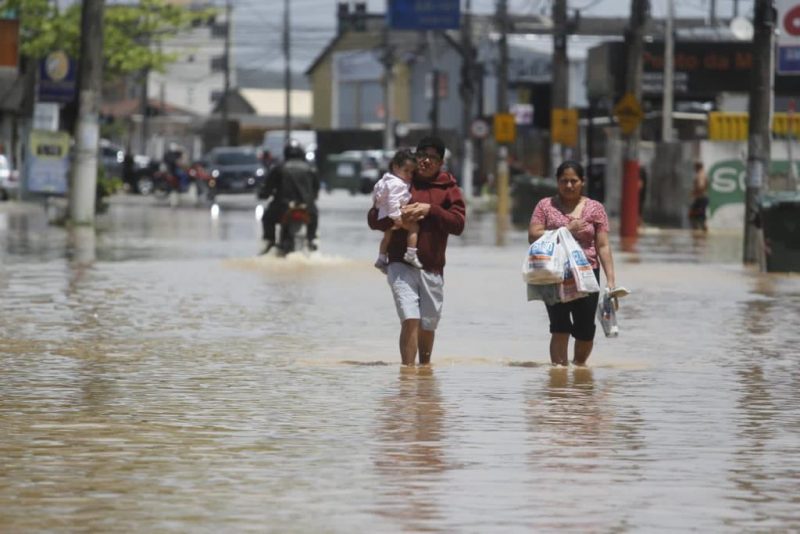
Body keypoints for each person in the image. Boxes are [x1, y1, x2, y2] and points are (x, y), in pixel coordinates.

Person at [367, 136, 466, 366]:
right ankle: (408, 376)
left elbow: (459, 225)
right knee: (410, 318)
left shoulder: (449, 189)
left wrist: (430, 210)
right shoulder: (402, 181)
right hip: (400, 263)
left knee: (428, 324)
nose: (425, 161)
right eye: (422, 155)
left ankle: (425, 372)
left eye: (432, 157)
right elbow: (373, 219)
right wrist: (397, 219)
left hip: (432, 266)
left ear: (440, 162)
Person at [528, 160, 618, 367]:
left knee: (586, 329)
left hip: (587, 273)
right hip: (554, 273)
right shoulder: (545, 206)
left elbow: (603, 245)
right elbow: (533, 235)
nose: (569, 186)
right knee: (559, 326)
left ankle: (579, 370)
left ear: (582, 182)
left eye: (574, 181)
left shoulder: (595, 209)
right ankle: (559, 376)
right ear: (557, 182)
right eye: (564, 181)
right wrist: (566, 230)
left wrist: (611, 280)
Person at [259, 139, 320, 253]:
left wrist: (263, 194)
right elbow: (316, 191)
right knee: (315, 215)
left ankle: (270, 241)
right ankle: (311, 240)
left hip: (282, 207)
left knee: (267, 218)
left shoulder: (278, 168)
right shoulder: (310, 169)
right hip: (306, 207)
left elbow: (267, 189)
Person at [372, 149, 422, 272]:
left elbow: (376, 195)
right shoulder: (398, 184)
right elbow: (393, 201)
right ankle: (411, 254)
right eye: (406, 171)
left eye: (412, 172)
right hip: (392, 214)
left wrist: (379, 207)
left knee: (387, 237)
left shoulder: (385, 180)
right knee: (414, 227)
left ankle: (381, 259)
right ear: (395, 167)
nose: (409, 175)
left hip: (382, 213)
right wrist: (397, 217)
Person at [689, 161, 709, 232]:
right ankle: (701, 234)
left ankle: (697, 233)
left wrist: (695, 192)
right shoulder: (703, 174)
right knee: (700, 216)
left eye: (694, 167)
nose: (694, 169)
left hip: (701, 198)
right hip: (703, 197)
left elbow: (701, 186)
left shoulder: (700, 175)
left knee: (693, 215)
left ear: (697, 167)